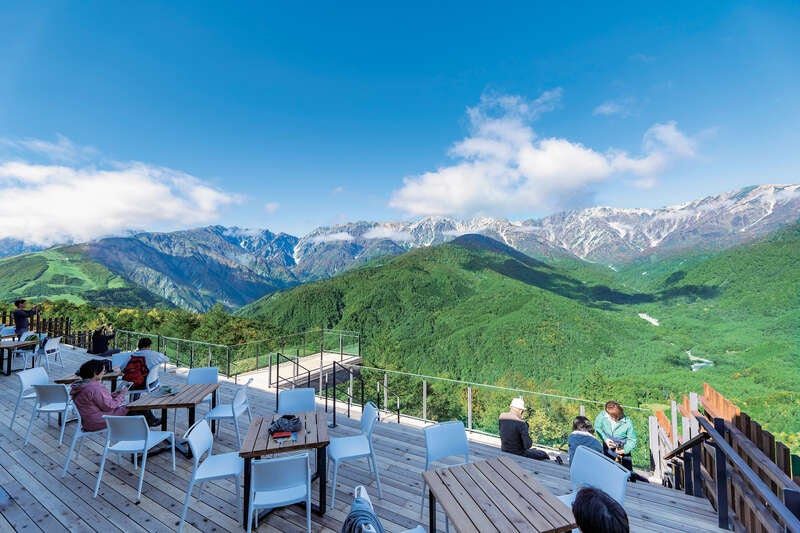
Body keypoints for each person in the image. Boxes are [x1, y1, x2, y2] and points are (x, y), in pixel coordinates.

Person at [70, 359, 132, 431]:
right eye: (103, 371)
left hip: (89, 421)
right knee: (136, 411)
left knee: (131, 409)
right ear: (95, 373)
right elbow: (109, 406)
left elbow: (95, 401)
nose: (104, 373)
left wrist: (113, 395)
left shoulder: (81, 385)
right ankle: (131, 437)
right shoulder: (94, 387)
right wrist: (122, 395)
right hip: (98, 421)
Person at [498, 397, 551, 461]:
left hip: (504, 449)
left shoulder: (502, 416)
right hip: (518, 453)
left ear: (511, 407)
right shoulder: (521, 424)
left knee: (534, 451)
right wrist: (526, 428)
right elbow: (527, 445)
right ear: (520, 410)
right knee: (543, 454)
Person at [593, 401, 637, 471]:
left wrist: (625, 450)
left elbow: (632, 440)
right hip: (608, 445)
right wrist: (605, 439)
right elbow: (597, 427)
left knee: (623, 469)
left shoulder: (627, 422)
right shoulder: (603, 415)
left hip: (621, 446)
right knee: (608, 467)